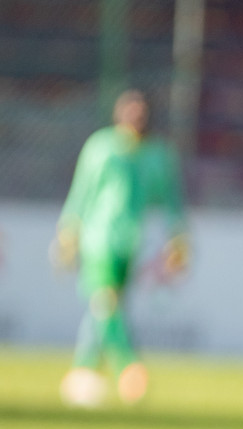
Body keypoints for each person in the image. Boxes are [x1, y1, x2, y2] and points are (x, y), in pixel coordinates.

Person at [52, 89, 187, 408]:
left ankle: (83, 371)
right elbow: (81, 193)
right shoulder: (101, 148)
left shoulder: (157, 155)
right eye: (130, 112)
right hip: (98, 239)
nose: (136, 119)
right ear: (118, 115)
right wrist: (69, 231)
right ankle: (129, 367)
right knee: (105, 302)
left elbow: (172, 201)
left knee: (105, 309)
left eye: (141, 113)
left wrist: (178, 238)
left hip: (130, 242)